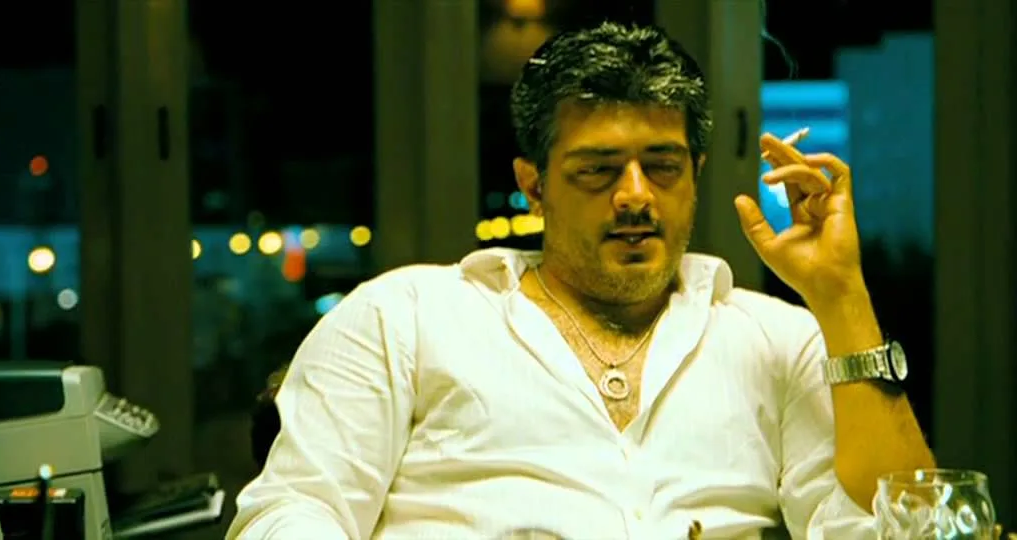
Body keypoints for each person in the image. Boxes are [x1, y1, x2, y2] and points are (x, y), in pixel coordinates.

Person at [226, 21, 935, 540]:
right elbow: (291, 511)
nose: (635, 196)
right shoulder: (405, 315)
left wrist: (841, 296)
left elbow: (898, 527)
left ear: (696, 175)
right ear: (534, 186)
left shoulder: (776, 339)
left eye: (663, 166)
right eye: (597, 171)